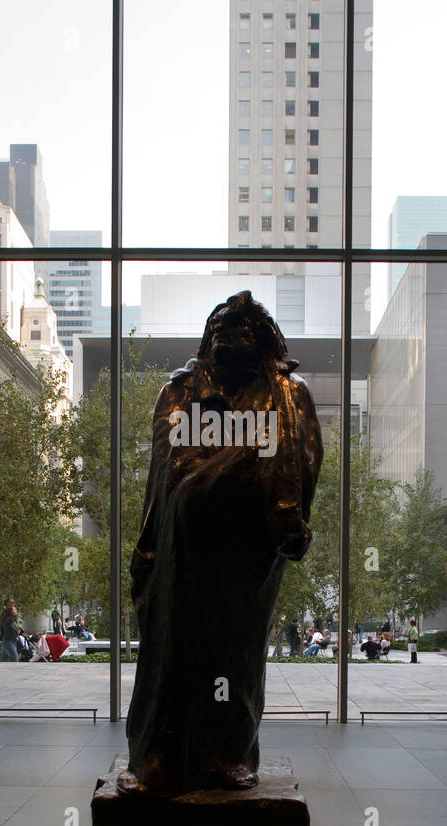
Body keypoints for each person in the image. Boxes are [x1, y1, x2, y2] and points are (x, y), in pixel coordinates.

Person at [121, 290, 322, 796]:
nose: (233, 339)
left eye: (246, 330)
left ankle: (225, 753)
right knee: (171, 651)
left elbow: (304, 464)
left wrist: (288, 520)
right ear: (211, 339)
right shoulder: (181, 390)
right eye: (225, 330)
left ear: (263, 341)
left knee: (235, 652)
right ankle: (157, 756)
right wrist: (150, 546)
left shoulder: (287, 392)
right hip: (182, 551)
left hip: (247, 555)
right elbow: (163, 473)